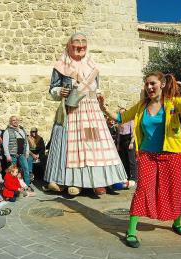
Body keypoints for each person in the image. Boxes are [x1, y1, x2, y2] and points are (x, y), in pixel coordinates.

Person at [101, 63, 181, 248]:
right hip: (148, 155)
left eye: (153, 83)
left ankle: (177, 223)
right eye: (146, 84)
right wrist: (103, 108)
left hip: (172, 154)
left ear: (162, 84)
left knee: (175, 189)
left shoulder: (173, 102)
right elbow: (119, 119)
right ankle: (131, 231)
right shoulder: (141, 107)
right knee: (142, 190)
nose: (149, 87)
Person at [44, 33, 126, 196]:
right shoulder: (61, 66)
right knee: (70, 147)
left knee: (93, 146)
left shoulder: (92, 65)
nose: (81, 45)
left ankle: (97, 182)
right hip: (72, 112)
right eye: (76, 42)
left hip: (92, 114)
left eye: (84, 42)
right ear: (69, 45)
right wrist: (60, 91)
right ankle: (71, 182)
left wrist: (99, 96)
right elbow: (52, 90)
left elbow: (97, 87)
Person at [2, 116, 31, 186]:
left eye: (16, 120)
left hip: (22, 154)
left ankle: (27, 185)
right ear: (10, 122)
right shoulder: (7, 131)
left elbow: (26, 142)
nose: (15, 121)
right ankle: (12, 185)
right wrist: (7, 155)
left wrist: (27, 152)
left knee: (26, 169)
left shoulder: (22, 130)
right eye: (13, 120)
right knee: (12, 171)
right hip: (12, 155)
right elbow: (5, 145)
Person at [117, 109, 137, 183]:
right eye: (120, 113)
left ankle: (134, 178)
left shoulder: (130, 121)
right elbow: (118, 135)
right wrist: (118, 145)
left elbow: (133, 133)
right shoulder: (119, 122)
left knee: (131, 160)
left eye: (123, 113)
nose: (122, 114)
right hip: (122, 141)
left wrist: (131, 142)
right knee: (124, 160)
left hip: (129, 141)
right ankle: (127, 176)